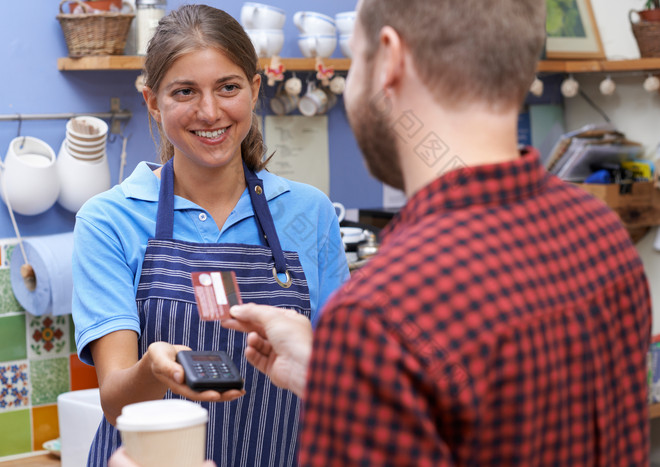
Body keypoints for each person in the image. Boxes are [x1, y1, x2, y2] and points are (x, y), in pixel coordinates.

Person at [224, 0, 653, 465]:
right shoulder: (603, 236)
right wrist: (338, 379)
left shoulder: (376, 316)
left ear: (390, 60)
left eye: (357, 57)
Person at [71, 4, 349, 467]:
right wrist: (152, 368)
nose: (210, 111)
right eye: (185, 91)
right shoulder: (109, 221)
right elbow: (116, 402)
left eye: (228, 87)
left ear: (254, 90)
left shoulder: (309, 213)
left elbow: (344, 381)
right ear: (153, 103)